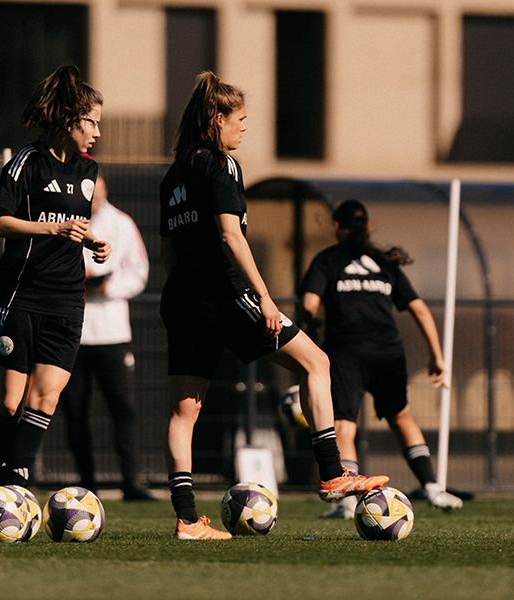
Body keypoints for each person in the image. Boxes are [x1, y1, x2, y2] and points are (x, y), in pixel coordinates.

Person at [159, 71, 388, 540]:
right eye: (240, 119)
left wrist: (189, 293)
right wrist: (263, 296)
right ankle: (332, 473)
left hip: (181, 297)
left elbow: (168, 252)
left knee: (185, 413)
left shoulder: (173, 175)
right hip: (224, 294)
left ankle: (186, 520)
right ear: (216, 120)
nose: (245, 128)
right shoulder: (221, 165)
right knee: (316, 362)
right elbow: (230, 235)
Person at [0, 64, 110, 488]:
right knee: (9, 401)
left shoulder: (88, 170)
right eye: (91, 122)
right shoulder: (27, 162)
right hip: (20, 293)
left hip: (67, 297)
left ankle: (12, 491)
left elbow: (72, 222)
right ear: (69, 119)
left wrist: (92, 241)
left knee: (47, 396)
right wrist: (51, 228)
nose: (96, 132)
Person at [299, 199, 462, 519]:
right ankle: (432, 488)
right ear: (369, 226)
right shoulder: (385, 263)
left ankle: (346, 502)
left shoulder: (327, 260)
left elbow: (308, 304)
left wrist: (311, 329)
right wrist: (437, 357)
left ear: (336, 227)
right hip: (388, 352)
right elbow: (418, 308)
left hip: (345, 353)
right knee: (401, 418)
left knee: (344, 426)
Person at [58, 172, 156, 501]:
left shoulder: (121, 223)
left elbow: (139, 271)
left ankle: (132, 481)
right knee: (75, 411)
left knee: (123, 408)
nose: (94, 200)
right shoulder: (63, 221)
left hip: (113, 333)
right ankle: (87, 482)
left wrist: (107, 286)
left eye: (98, 194)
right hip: (73, 331)